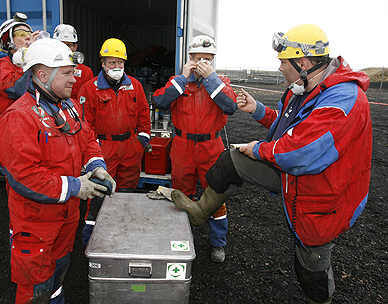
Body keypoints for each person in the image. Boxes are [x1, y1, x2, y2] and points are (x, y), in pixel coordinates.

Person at [169, 24, 372, 304]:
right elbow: (289, 127)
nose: (279, 69)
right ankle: (200, 212)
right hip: (295, 175)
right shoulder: (305, 87)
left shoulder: (342, 99)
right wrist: (259, 111)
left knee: (311, 270)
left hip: (324, 192)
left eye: (282, 62)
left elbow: (303, 150)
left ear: (302, 62)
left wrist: (259, 149)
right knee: (231, 161)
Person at [0, 38, 116, 303]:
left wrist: (97, 166)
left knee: (58, 275)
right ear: (42, 74)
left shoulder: (69, 107)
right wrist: (77, 187)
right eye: (67, 73)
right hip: (36, 223)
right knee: (36, 289)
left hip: (67, 215)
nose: (74, 79)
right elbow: (24, 177)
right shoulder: (19, 117)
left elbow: (87, 140)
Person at [153, 35, 238, 263]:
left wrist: (211, 80)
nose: (203, 63)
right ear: (190, 58)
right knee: (181, 193)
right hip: (182, 146)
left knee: (216, 195)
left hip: (212, 146)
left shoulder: (221, 83)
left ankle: (218, 243)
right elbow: (159, 101)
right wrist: (182, 78)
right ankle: (182, 237)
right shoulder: (178, 82)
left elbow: (231, 106)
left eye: (208, 59)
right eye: (199, 58)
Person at [78, 38, 151, 247]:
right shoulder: (89, 89)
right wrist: (95, 151)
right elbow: (85, 126)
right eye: (112, 63)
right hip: (104, 149)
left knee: (127, 191)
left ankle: (123, 234)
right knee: (99, 192)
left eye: (120, 63)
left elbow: (144, 115)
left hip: (130, 147)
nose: (116, 67)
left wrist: (141, 141)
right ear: (102, 63)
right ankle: (91, 241)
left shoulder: (134, 86)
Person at [0, 12, 41, 114]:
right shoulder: (0, 64)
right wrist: (27, 61)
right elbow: (16, 89)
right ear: (9, 40)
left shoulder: (36, 63)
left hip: (34, 117)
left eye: (29, 34)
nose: (28, 37)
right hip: (13, 119)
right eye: (21, 34)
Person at [53, 24, 94, 102]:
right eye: (62, 44)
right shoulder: (47, 67)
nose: (65, 48)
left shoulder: (85, 72)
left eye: (68, 45)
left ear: (75, 47)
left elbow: (89, 100)